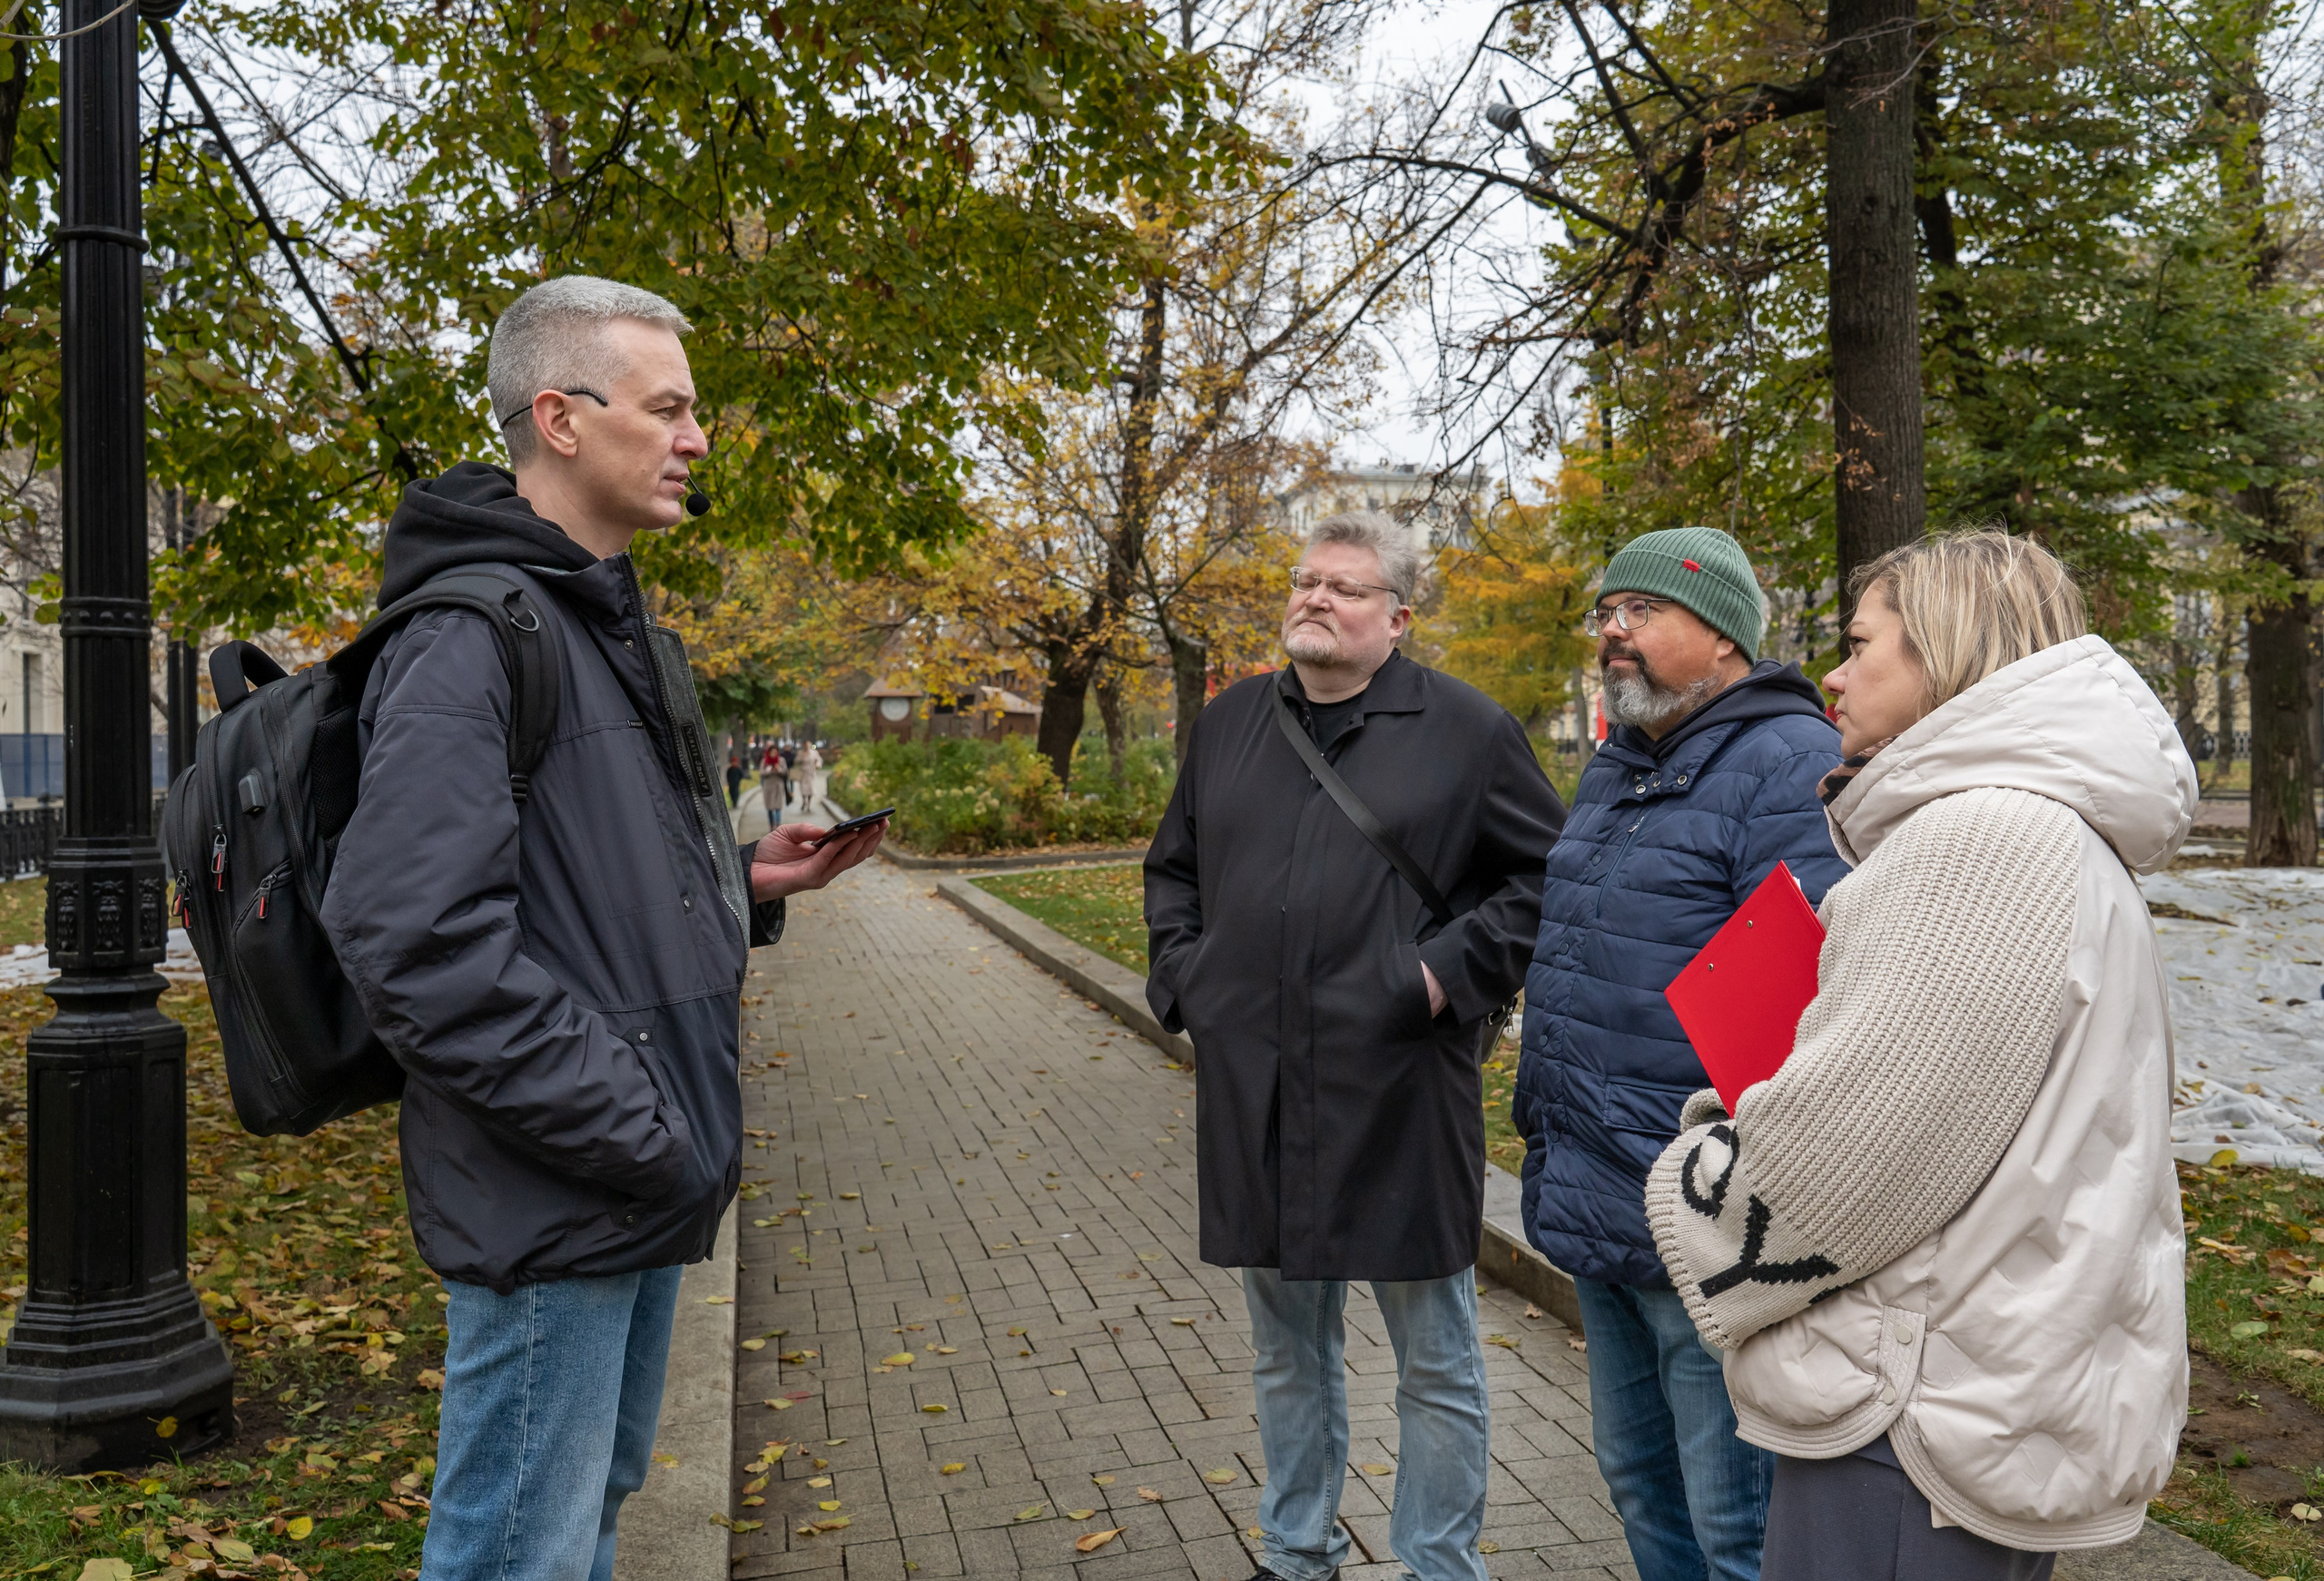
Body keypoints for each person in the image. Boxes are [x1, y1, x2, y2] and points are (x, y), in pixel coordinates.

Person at [320, 275, 885, 1581]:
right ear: (561, 419)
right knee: (517, 1543)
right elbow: (412, 938)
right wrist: (638, 1127)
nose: (698, 436)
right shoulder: (472, 637)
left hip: (623, 1173)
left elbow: (576, 883)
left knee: (585, 1519)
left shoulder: (601, 627)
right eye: (668, 407)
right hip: (561, 1183)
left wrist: (740, 881)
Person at [1647, 531, 2196, 1577]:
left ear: (1943, 652)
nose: (1833, 674)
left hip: (1909, 1405)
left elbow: (1841, 1164)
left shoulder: (1981, 837)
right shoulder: (2047, 826)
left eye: (1860, 644)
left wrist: (1702, 1164)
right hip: (1978, 1381)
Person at [1145, 510, 1567, 1581]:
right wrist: (1189, 980)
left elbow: (1543, 879)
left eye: (1343, 585)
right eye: (1304, 580)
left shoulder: (1468, 730)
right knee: (1285, 1348)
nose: (1314, 598)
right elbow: (1173, 869)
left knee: (1435, 1356)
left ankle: (1437, 1562)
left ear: (1397, 616)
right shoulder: (1230, 722)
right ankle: (1296, 1550)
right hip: (1258, 1088)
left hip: (1399, 1085)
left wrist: (1436, 976)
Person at [1513, 525, 1848, 1581]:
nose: (1613, 630)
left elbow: (1807, 996)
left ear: (1724, 636)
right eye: (1606, 611)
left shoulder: (1787, 762)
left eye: (1643, 610)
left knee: (1732, 1521)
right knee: (1637, 1480)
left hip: (1705, 1214)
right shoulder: (1620, 761)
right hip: (1595, 1187)